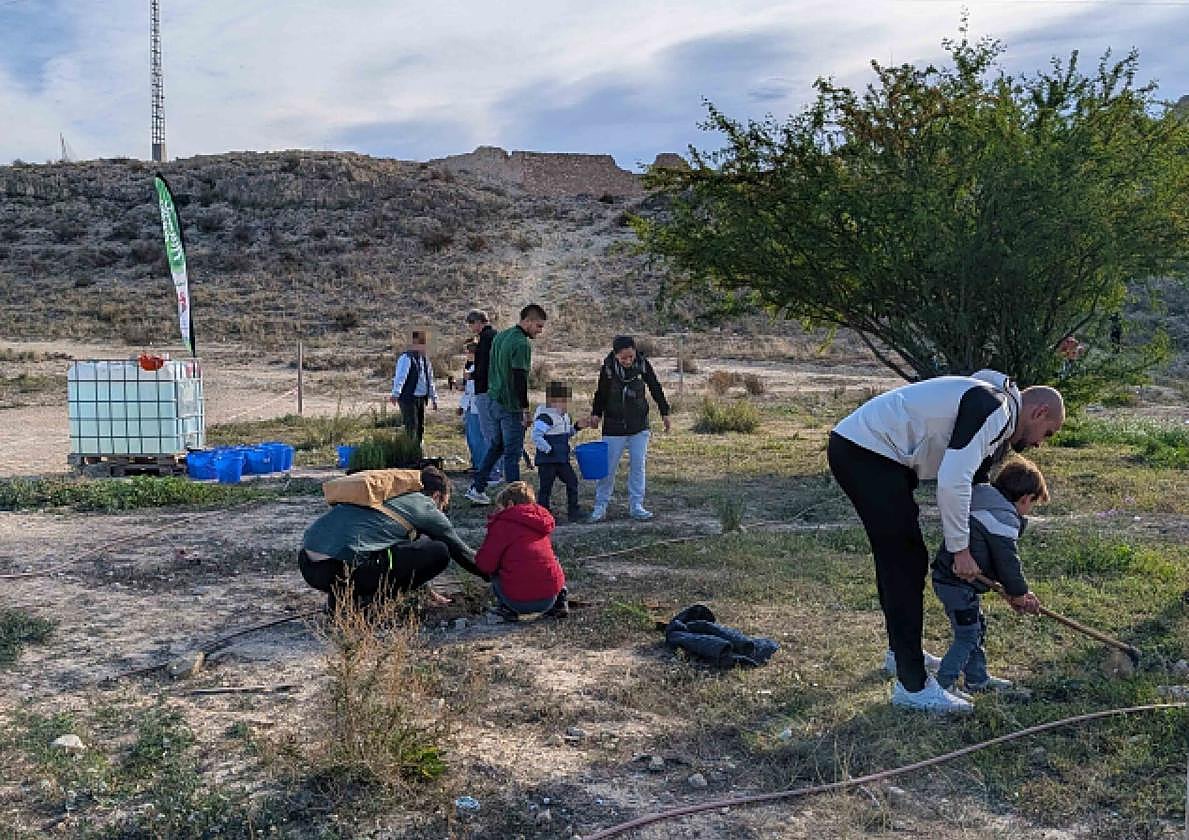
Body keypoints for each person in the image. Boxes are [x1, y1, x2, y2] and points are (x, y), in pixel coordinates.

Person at [827, 370, 1064, 715]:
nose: (1041, 443)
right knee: (903, 561)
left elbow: (974, 490)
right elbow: (954, 480)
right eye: (1048, 432)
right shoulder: (995, 408)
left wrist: (1007, 583)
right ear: (1039, 412)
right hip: (867, 451)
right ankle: (912, 686)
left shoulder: (995, 404)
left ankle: (899, 655)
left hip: (869, 451)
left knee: (900, 558)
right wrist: (960, 551)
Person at [932, 458, 1046, 697]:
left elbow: (991, 560)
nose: (1029, 511)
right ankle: (942, 686)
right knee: (967, 634)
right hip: (955, 583)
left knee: (976, 627)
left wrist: (1018, 594)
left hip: (954, 581)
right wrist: (1019, 592)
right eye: (1032, 505)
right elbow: (1007, 563)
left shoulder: (983, 499)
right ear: (1025, 499)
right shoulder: (1002, 518)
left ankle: (977, 679)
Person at [298, 466, 487, 611]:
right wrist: (498, 573)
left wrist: (424, 589)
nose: (442, 510)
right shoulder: (425, 506)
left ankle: (343, 600)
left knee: (383, 550)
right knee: (439, 550)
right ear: (437, 495)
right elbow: (462, 553)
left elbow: (401, 552)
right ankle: (369, 605)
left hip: (308, 565)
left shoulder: (387, 497)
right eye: (444, 504)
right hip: (339, 570)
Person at [466, 304, 548, 504]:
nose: (540, 331)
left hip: (494, 399)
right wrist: (524, 409)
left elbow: (490, 367)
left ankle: (477, 487)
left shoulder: (501, 336)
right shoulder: (521, 344)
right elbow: (519, 377)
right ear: (527, 321)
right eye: (538, 326)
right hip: (510, 404)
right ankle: (516, 501)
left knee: (497, 446)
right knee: (512, 452)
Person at [587, 335, 671, 522]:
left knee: (638, 465)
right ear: (615, 355)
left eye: (630, 356)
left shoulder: (643, 365)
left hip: (639, 426)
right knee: (608, 468)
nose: (627, 361)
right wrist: (596, 414)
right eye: (623, 357)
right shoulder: (608, 369)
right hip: (613, 426)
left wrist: (664, 412)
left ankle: (636, 505)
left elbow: (655, 387)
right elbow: (601, 393)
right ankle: (601, 505)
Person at [474, 481, 569, 621]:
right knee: (549, 559)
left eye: (499, 507)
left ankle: (506, 610)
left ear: (510, 504)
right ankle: (560, 602)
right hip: (549, 599)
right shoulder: (541, 522)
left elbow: (485, 564)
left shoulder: (502, 524)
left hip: (517, 601)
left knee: (494, 564)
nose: (497, 511)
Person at [532, 381, 587, 523]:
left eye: (564, 401)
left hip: (562, 459)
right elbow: (536, 435)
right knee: (546, 488)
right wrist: (548, 449)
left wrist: (576, 427)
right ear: (550, 400)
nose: (562, 404)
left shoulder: (564, 416)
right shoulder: (545, 416)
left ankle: (573, 511)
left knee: (572, 482)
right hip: (548, 461)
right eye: (558, 401)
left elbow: (565, 434)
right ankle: (542, 514)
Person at [466, 309, 502, 484]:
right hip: (496, 389)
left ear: (479, 322)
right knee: (495, 432)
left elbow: (483, 365)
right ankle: (496, 470)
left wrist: (472, 376)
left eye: (472, 324)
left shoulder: (486, 339)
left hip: (485, 390)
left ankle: (494, 472)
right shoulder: (497, 336)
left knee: (489, 433)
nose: (472, 328)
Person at [389, 330, 438, 447]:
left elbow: (430, 380)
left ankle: (418, 450)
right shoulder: (406, 358)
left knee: (420, 427)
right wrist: (395, 394)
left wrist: (434, 398)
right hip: (408, 398)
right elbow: (400, 377)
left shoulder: (425, 360)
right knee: (411, 427)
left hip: (421, 398)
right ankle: (411, 452)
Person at [459, 341, 487, 473]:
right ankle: (476, 463)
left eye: (470, 352)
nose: (467, 354)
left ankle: (482, 465)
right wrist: (462, 406)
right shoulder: (470, 367)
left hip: (478, 408)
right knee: (471, 438)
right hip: (469, 407)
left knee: (478, 438)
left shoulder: (481, 369)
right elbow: (467, 390)